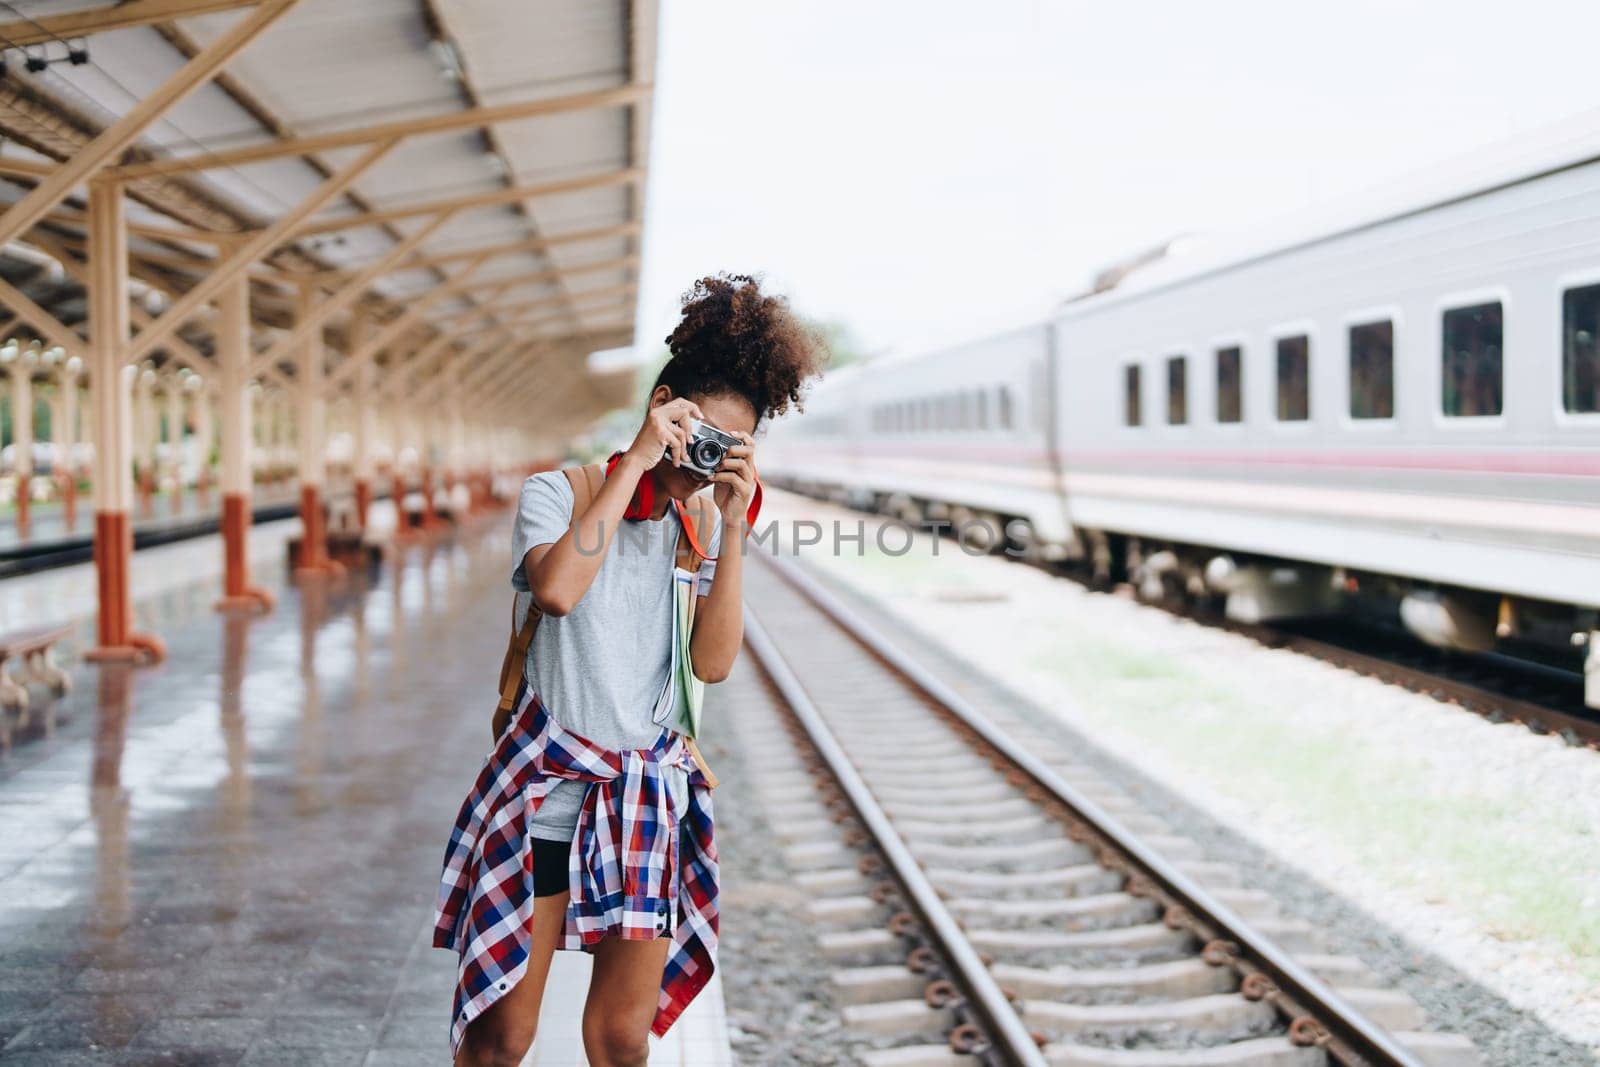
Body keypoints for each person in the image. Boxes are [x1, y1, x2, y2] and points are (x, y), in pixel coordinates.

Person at [434, 274, 827, 1067]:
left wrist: (732, 531)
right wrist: (638, 461)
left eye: (730, 443)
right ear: (664, 404)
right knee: (501, 1036)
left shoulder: (701, 526)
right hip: (546, 795)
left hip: (644, 796)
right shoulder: (560, 492)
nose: (705, 454)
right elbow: (556, 589)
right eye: (697, 431)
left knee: (620, 1038)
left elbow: (712, 665)